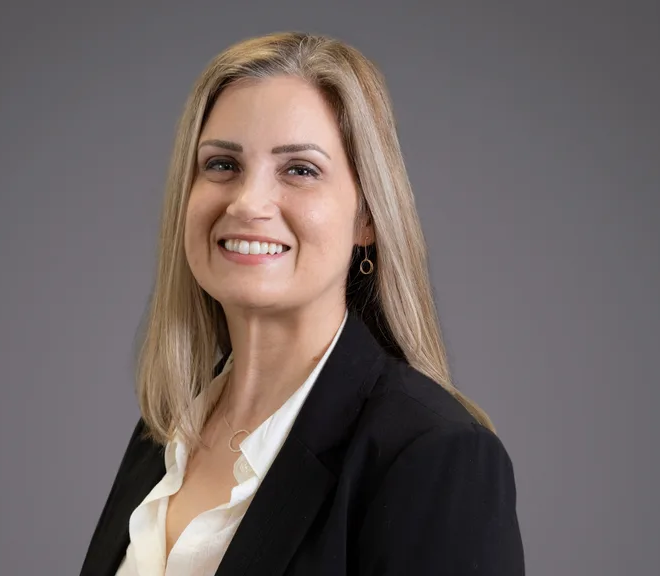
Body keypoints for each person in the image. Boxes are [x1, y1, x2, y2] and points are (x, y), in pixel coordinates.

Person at [80, 31, 525, 576]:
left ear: (367, 217)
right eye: (222, 164)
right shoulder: (165, 433)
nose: (248, 203)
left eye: (300, 170)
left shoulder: (434, 455)